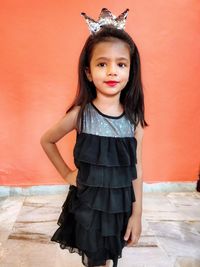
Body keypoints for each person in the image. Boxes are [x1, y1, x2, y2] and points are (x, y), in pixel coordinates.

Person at [40, 8, 148, 267]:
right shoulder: (81, 115)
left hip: (119, 206)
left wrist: (137, 213)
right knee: (94, 259)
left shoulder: (133, 121)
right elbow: (47, 140)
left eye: (121, 64)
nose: (112, 71)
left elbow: (137, 168)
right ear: (88, 72)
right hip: (88, 204)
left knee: (109, 255)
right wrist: (67, 174)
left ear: (131, 71)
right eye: (102, 64)